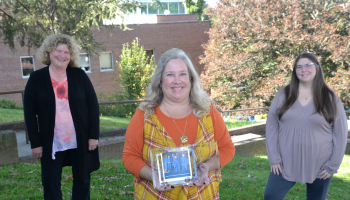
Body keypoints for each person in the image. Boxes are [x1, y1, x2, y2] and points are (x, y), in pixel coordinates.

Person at [122, 48, 235, 199]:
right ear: (160, 81)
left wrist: (208, 166)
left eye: (183, 74)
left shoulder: (208, 112)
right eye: (170, 75)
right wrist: (153, 176)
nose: (177, 80)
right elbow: (129, 156)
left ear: (191, 79)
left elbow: (227, 148)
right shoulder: (144, 115)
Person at [24, 34, 100, 200]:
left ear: (71, 56)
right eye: (59, 50)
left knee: (82, 180)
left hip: (80, 138)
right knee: (50, 182)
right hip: (51, 141)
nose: (62, 55)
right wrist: (35, 143)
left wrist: (94, 136)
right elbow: (29, 113)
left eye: (67, 52)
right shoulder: (36, 79)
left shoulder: (79, 76)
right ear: (49, 52)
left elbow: (93, 106)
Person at [264, 53, 348, 200]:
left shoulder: (330, 98)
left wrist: (332, 165)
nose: (304, 70)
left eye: (308, 65)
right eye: (299, 67)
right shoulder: (283, 94)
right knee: (271, 196)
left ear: (317, 67)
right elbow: (271, 128)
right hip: (285, 162)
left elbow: (340, 134)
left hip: (321, 164)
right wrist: (274, 159)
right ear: (295, 71)